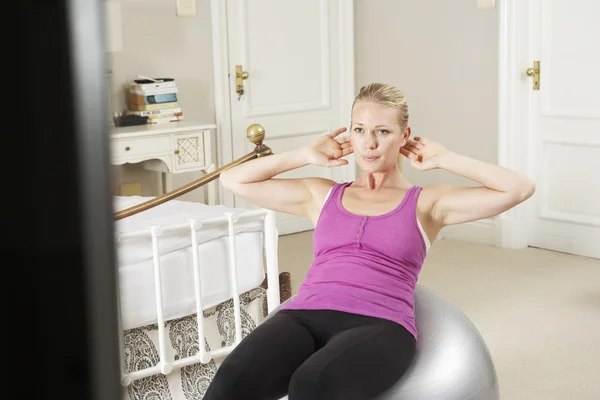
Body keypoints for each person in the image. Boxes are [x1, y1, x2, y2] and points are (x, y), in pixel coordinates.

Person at [203, 83, 535, 400]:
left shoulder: (426, 203)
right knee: (231, 382)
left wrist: (446, 159)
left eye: (383, 131)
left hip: (380, 324)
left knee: (310, 386)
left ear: (404, 136)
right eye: (359, 130)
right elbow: (233, 180)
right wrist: (304, 154)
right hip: (304, 313)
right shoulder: (322, 194)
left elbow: (519, 188)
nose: (369, 143)